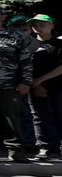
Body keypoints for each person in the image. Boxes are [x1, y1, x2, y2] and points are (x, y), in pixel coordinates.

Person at [0, 12, 35, 162]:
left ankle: (15, 150)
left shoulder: (15, 36)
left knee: (11, 118)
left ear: (3, 16)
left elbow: (25, 61)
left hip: (9, 84)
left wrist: (26, 82)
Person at [27, 16, 61, 159]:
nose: (38, 28)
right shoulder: (28, 45)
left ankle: (59, 146)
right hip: (34, 87)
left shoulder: (59, 44)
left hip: (57, 87)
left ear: (51, 26)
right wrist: (36, 85)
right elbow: (24, 66)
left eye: (42, 25)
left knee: (59, 115)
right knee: (39, 117)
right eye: (35, 25)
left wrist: (41, 79)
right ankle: (43, 147)